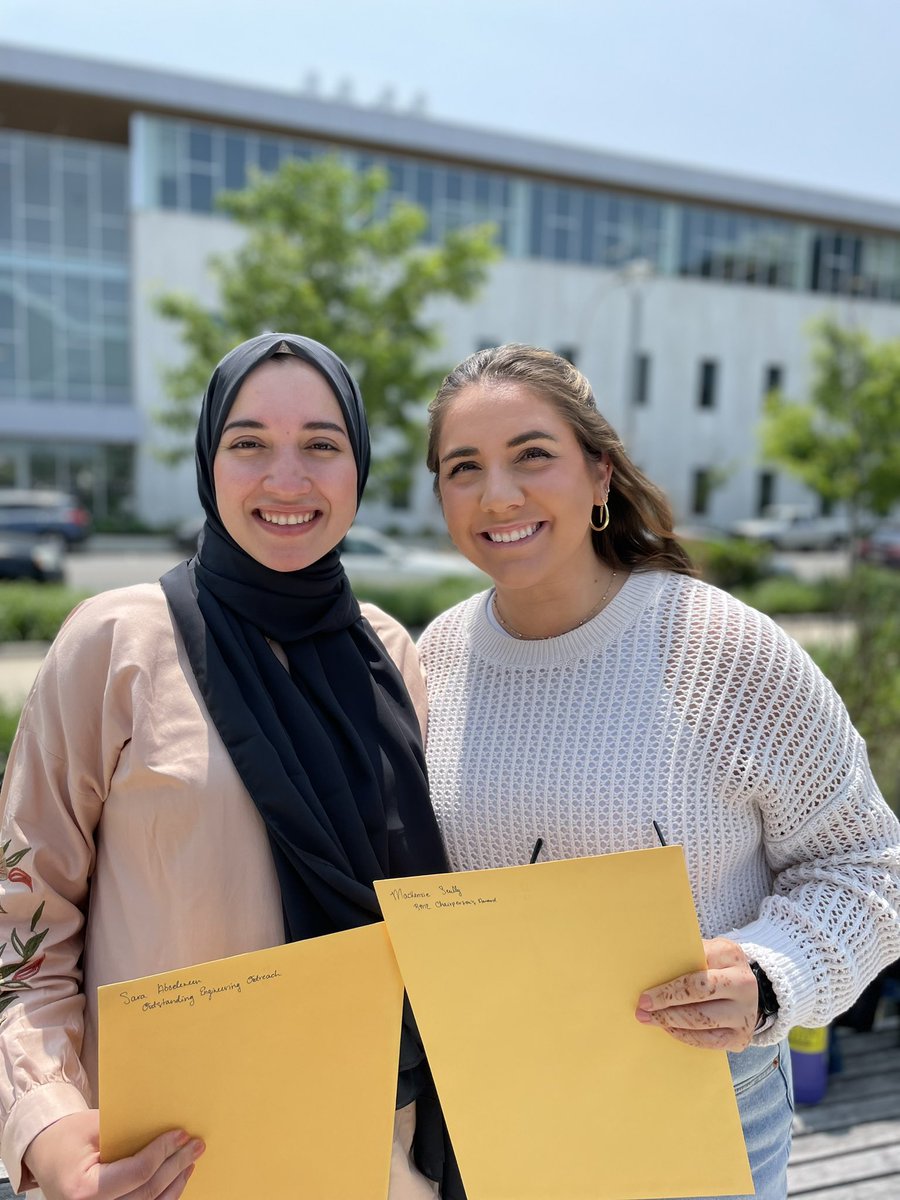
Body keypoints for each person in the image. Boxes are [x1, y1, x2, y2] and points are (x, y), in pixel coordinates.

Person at [417, 343, 900, 1199]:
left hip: (702, 1101)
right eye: (465, 468)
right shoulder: (437, 658)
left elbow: (870, 869)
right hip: (503, 1108)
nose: (498, 494)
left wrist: (765, 976)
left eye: (533, 456)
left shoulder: (726, 649)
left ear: (599, 474)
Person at [0, 333, 451, 1199]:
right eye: (249, 444)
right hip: (171, 1166)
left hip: (375, 1153)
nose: (288, 479)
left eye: (322, 444)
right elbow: (23, 921)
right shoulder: (117, 642)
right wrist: (50, 1130)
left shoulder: (388, 654)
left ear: (358, 466)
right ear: (209, 463)